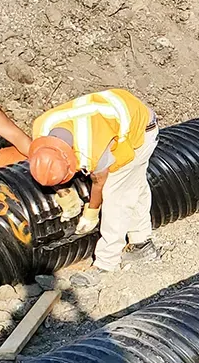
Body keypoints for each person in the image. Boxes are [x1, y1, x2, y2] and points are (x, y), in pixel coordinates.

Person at [26, 88, 161, 285]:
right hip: (114, 109)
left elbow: (100, 181)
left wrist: (92, 211)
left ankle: (107, 263)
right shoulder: (41, 128)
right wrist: (62, 191)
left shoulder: (91, 148)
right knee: (133, 185)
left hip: (140, 126)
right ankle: (142, 244)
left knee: (117, 194)